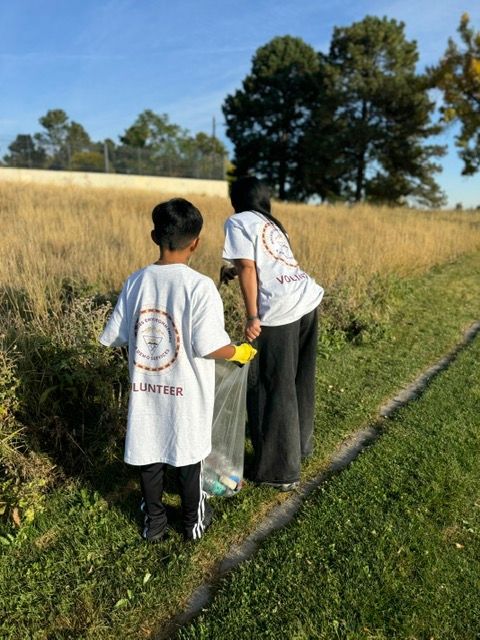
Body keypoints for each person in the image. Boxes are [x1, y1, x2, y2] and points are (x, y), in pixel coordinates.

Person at [100, 198, 256, 543]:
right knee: (188, 457)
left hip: (147, 389)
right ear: (196, 242)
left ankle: (154, 522)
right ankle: (191, 523)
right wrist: (238, 351)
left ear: (154, 235)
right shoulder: (200, 286)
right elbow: (209, 345)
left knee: (149, 453)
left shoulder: (136, 281)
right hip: (186, 393)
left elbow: (115, 336)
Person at [222, 177, 324, 491]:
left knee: (269, 385)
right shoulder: (272, 224)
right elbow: (271, 264)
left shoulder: (237, 221)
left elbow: (251, 269)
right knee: (297, 379)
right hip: (307, 299)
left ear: (236, 199)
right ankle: (298, 450)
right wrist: (234, 270)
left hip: (280, 311)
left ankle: (280, 471)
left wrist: (253, 315)